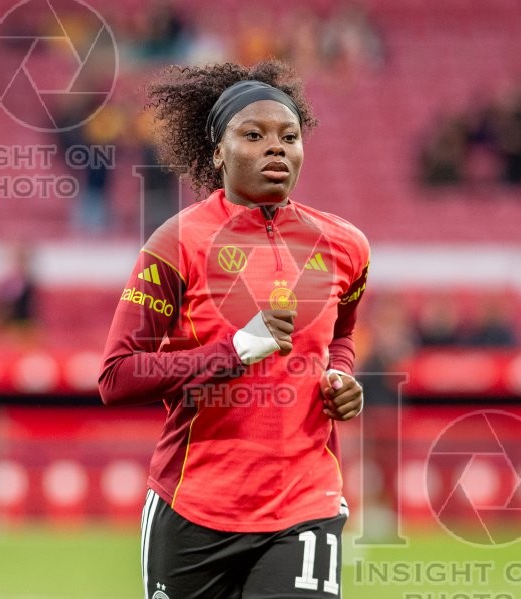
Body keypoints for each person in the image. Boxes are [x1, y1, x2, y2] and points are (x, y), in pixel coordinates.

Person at [99, 60, 369, 598]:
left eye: (288, 136)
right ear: (217, 151)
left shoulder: (345, 247)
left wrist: (340, 377)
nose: (277, 148)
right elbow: (117, 377)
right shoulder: (176, 244)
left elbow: (340, 337)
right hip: (195, 505)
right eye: (254, 135)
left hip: (305, 501)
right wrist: (237, 348)